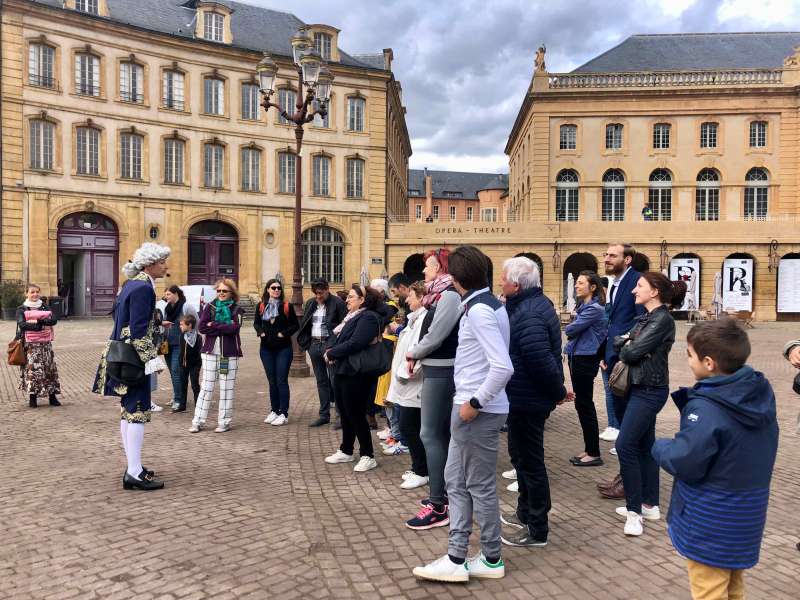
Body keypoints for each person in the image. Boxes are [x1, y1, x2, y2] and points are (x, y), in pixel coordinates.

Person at [653, 319, 778, 599]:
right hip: (746, 515)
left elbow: (686, 460)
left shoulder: (709, 408)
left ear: (708, 363)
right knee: (733, 586)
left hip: (711, 518)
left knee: (709, 590)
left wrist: (660, 447)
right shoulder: (758, 394)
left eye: (690, 355)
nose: (688, 361)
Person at [413, 245, 513, 583]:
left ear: (455, 276)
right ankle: (459, 555)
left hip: (476, 410)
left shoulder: (481, 310)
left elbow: (502, 367)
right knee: (457, 481)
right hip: (473, 407)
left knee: (477, 484)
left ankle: (486, 556)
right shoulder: (484, 305)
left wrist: (475, 403)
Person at [498, 257, 570, 548]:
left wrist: (557, 392)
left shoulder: (529, 313)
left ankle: (537, 527)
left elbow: (540, 360)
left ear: (516, 284)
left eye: (503, 278)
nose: (500, 283)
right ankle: (525, 513)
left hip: (528, 399)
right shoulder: (528, 306)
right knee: (522, 458)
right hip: (522, 397)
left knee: (530, 463)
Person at [613, 272, 686, 536]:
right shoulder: (646, 318)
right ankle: (650, 504)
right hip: (639, 387)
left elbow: (629, 350)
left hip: (649, 389)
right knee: (645, 445)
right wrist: (628, 343)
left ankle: (634, 512)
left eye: (640, 286)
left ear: (654, 291)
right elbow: (620, 341)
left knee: (625, 445)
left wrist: (628, 343)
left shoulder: (662, 320)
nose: (634, 290)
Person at [93, 242, 170, 491]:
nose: (165, 267)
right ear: (150, 264)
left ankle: (133, 467)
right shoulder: (142, 288)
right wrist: (152, 360)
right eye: (162, 262)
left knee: (129, 410)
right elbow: (136, 331)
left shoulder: (132, 284)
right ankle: (134, 472)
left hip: (122, 354)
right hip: (132, 359)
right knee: (137, 411)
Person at [404, 248, 463, 530]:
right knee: (437, 434)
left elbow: (436, 335)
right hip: (438, 368)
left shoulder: (448, 295)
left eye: (428, 266)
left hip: (442, 369)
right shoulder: (440, 295)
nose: (424, 272)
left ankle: (439, 503)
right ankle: (443, 497)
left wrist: (413, 352)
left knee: (430, 433)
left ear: (441, 268)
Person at [597, 242, 645, 500]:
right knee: (623, 421)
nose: (606, 258)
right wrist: (605, 353)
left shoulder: (638, 282)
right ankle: (624, 476)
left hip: (625, 362)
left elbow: (640, 323)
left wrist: (623, 355)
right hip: (612, 358)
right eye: (606, 254)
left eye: (612, 255)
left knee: (629, 427)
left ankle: (630, 482)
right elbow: (612, 321)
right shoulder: (613, 283)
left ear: (627, 259)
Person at [323, 284, 383, 473]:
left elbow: (356, 343)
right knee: (345, 412)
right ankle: (346, 449)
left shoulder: (368, 317)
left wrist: (332, 353)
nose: (347, 300)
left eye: (351, 297)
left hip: (356, 372)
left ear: (362, 300)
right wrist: (332, 351)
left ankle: (368, 455)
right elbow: (341, 339)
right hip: (344, 369)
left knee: (356, 413)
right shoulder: (352, 317)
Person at [387, 280, 429, 490]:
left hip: (413, 383)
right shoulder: (415, 319)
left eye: (412, 295)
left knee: (410, 427)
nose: (408, 299)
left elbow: (419, 351)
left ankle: (422, 471)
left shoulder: (423, 320)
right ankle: (418, 466)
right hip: (407, 384)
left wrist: (404, 374)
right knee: (410, 427)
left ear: (421, 298)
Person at [564, 271, 608, 467]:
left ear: (592, 288)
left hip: (585, 358)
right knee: (582, 404)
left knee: (585, 405)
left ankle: (594, 452)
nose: (576, 286)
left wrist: (572, 326)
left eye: (581, 283)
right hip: (578, 356)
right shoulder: (585, 307)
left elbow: (570, 330)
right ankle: (590, 448)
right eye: (577, 283)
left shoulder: (594, 309)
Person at [189, 278, 244, 433]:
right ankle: (198, 421)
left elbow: (234, 329)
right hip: (210, 352)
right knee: (206, 387)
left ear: (231, 293)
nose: (220, 293)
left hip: (229, 354)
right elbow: (202, 327)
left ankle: (224, 422)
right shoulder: (210, 306)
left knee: (226, 388)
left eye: (224, 291)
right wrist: (221, 327)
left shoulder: (237, 309)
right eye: (218, 290)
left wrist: (213, 324)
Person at [297, 278, 346, 427]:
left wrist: (334, 346)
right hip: (314, 345)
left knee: (334, 380)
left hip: (329, 346)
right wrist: (307, 344)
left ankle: (340, 416)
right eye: (316, 293)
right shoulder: (311, 303)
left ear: (327, 289)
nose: (318, 296)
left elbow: (343, 326)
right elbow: (305, 323)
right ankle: (324, 414)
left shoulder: (337, 303)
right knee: (321, 381)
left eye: (321, 293)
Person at [254, 278, 299, 426]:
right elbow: (256, 323)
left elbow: (294, 325)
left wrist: (283, 334)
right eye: (273, 288)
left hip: (283, 349)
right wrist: (260, 332)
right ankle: (274, 410)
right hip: (266, 349)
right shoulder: (261, 306)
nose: (276, 290)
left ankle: (283, 413)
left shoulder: (286, 306)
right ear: (267, 289)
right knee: (272, 381)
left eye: (278, 288)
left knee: (281, 380)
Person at [372, 278, 405, 453]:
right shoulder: (390, 307)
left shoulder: (391, 308)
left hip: (392, 357)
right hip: (387, 356)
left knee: (391, 399)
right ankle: (394, 432)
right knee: (387, 399)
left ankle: (397, 435)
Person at [16, 283, 61, 408]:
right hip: (31, 346)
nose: (35, 294)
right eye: (32, 292)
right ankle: (32, 399)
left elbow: (54, 319)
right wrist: (40, 325)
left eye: (37, 292)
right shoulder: (22, 308)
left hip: (45, 345)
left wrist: (38, 320)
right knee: (33, 371)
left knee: (49, 369)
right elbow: (22, 324)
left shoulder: (44, 306)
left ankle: (52, 397)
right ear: (26, 294)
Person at [162, 285, 197, 412]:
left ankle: (178, 400)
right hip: (167, 344)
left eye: (168, 294)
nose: (166, 297)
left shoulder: (185, 306)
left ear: (176, 293)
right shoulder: (167, 308)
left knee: (177, 371)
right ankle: (177, 396)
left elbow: (195, 322)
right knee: (172, 372)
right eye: (165, 295)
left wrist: (193, 340)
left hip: (180, 344)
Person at [178, 314, 202, 411]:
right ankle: (182, 405)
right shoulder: (182, 336)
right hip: (183, 364)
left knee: (195, 385)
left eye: (182, 324)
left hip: (194, 365)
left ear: (190, 325)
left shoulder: (198, 337)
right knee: (182, 384)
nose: (180, 326)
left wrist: (197, 363)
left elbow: (199, 351)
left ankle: (198, 405)